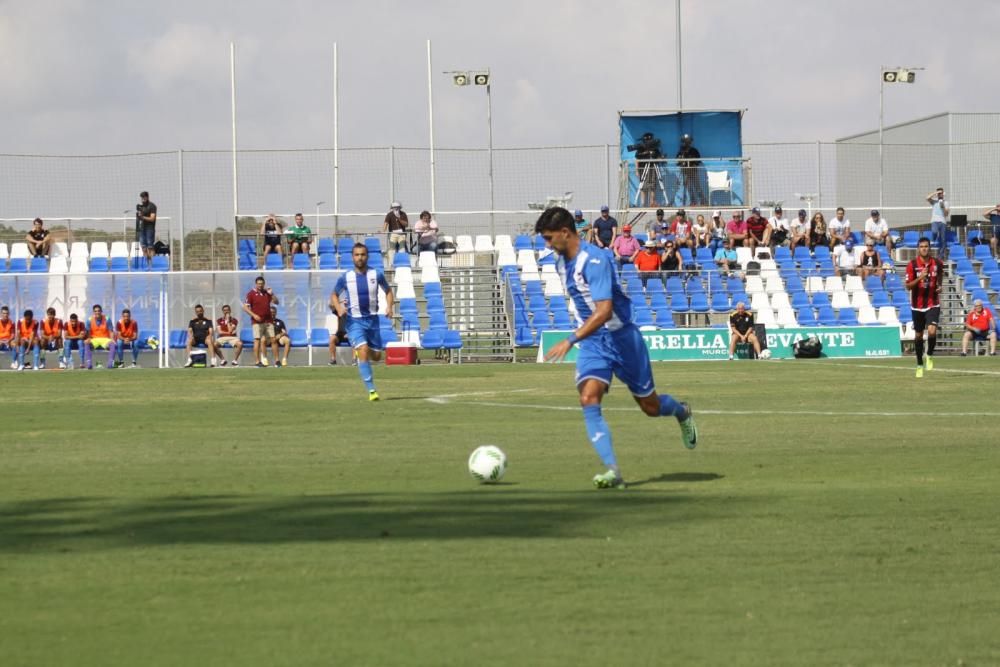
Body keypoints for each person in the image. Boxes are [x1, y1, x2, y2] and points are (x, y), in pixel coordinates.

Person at [536, 207, 697, 489]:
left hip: (622, 339)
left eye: (549, 238)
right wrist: (581, 338)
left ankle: (682, 412)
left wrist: (570, 339)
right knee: (588, 398)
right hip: (593, 343)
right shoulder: (560, 263)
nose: (547, 245)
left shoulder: (595, 260)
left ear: (565, 232)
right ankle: (613, 471)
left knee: (650, 406)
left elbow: (604, 311)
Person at [331, 243, 395, 401]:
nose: (360, 257)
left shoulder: (376, 274)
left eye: (363, 255)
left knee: (376, 356)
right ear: (353, 257)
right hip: (354, 322)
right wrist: (339, 308)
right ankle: (372, 390)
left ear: (367, 256)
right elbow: (333, 294)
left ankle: (373, 354)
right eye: (357, 255)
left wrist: (389, 307)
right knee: (363, 349)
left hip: (373, 321)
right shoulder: (346, 277)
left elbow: (388, 291)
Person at [905, 237, 945, 378]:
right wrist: (919, 278)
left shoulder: (937, 263)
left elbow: (940, 273)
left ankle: (929, 355)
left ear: (929, 247)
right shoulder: (912, 265)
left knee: (932, 331)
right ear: (918, 248)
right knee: (919, 335)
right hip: (917, 306)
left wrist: (939, 285)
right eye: (922, 246)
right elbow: (908, 286)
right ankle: (919, 364)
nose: (924, 248)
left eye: (926, 246)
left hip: (933, 302)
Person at [242, 275, 280, 367]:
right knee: (257, 340)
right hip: (257, 322)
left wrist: (272, 294)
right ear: (256, 284)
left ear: (264, 284)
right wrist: (254, 315)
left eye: (262, 284)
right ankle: (257, 361)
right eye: (259, 284)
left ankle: (277, 361)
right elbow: (245, 307)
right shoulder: (251, 294)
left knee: (273, 340)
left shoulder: (267, 293)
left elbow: (276, 302)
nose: (260, 285)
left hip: (268, 320)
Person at [676, 134, 705, 206]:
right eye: (685, 142)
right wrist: (680, 161)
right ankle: (693, 201)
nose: (686, 143)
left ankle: (703, 201)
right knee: (689, 187)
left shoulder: (694, 150)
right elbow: (677, 159)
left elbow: (698, 160)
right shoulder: (681, 151)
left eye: (688, 142)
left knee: (697, 186)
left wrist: (694, 164)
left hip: (693, 171)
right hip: (685, 172)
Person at [86, 304, 116, 370]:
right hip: (94, 339)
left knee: (113, 344)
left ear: (101, 311)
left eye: (98, 311)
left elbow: (111, 331)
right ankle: (89, 363)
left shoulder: (107, 319)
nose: (97, 312)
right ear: (93, 312)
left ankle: (110, 363)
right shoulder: (89, 320)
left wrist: (112, 339)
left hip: (105, 339)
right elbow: (88, 332)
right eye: (95, 311)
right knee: (86, 343)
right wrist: (88, 339)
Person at [926, 187, 950, 259]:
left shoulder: (946, 202)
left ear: (943, 194)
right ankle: (933, 240)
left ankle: (940, 256)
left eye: (941, 193)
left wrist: (943, 208)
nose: (940, 194)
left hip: (942, 222)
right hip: (935, 221)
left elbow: (946, 214)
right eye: (939, 193)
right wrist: (936, 193)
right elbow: (927, 198)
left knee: (943, 240)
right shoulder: (934, 201)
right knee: (934, 231)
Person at [136, 191, 158, 263]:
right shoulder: (141, 206)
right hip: (142, 228)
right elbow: (140, 218)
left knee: (150, 247)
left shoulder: (152, 206)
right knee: (143, 247)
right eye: (142, 197)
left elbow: (152, 218)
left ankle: (153, 264)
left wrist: (143, 217)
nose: (143, 199)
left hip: (150, 229)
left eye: (144, 197)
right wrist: (139, 215)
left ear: (147, 197)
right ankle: (146, 263)